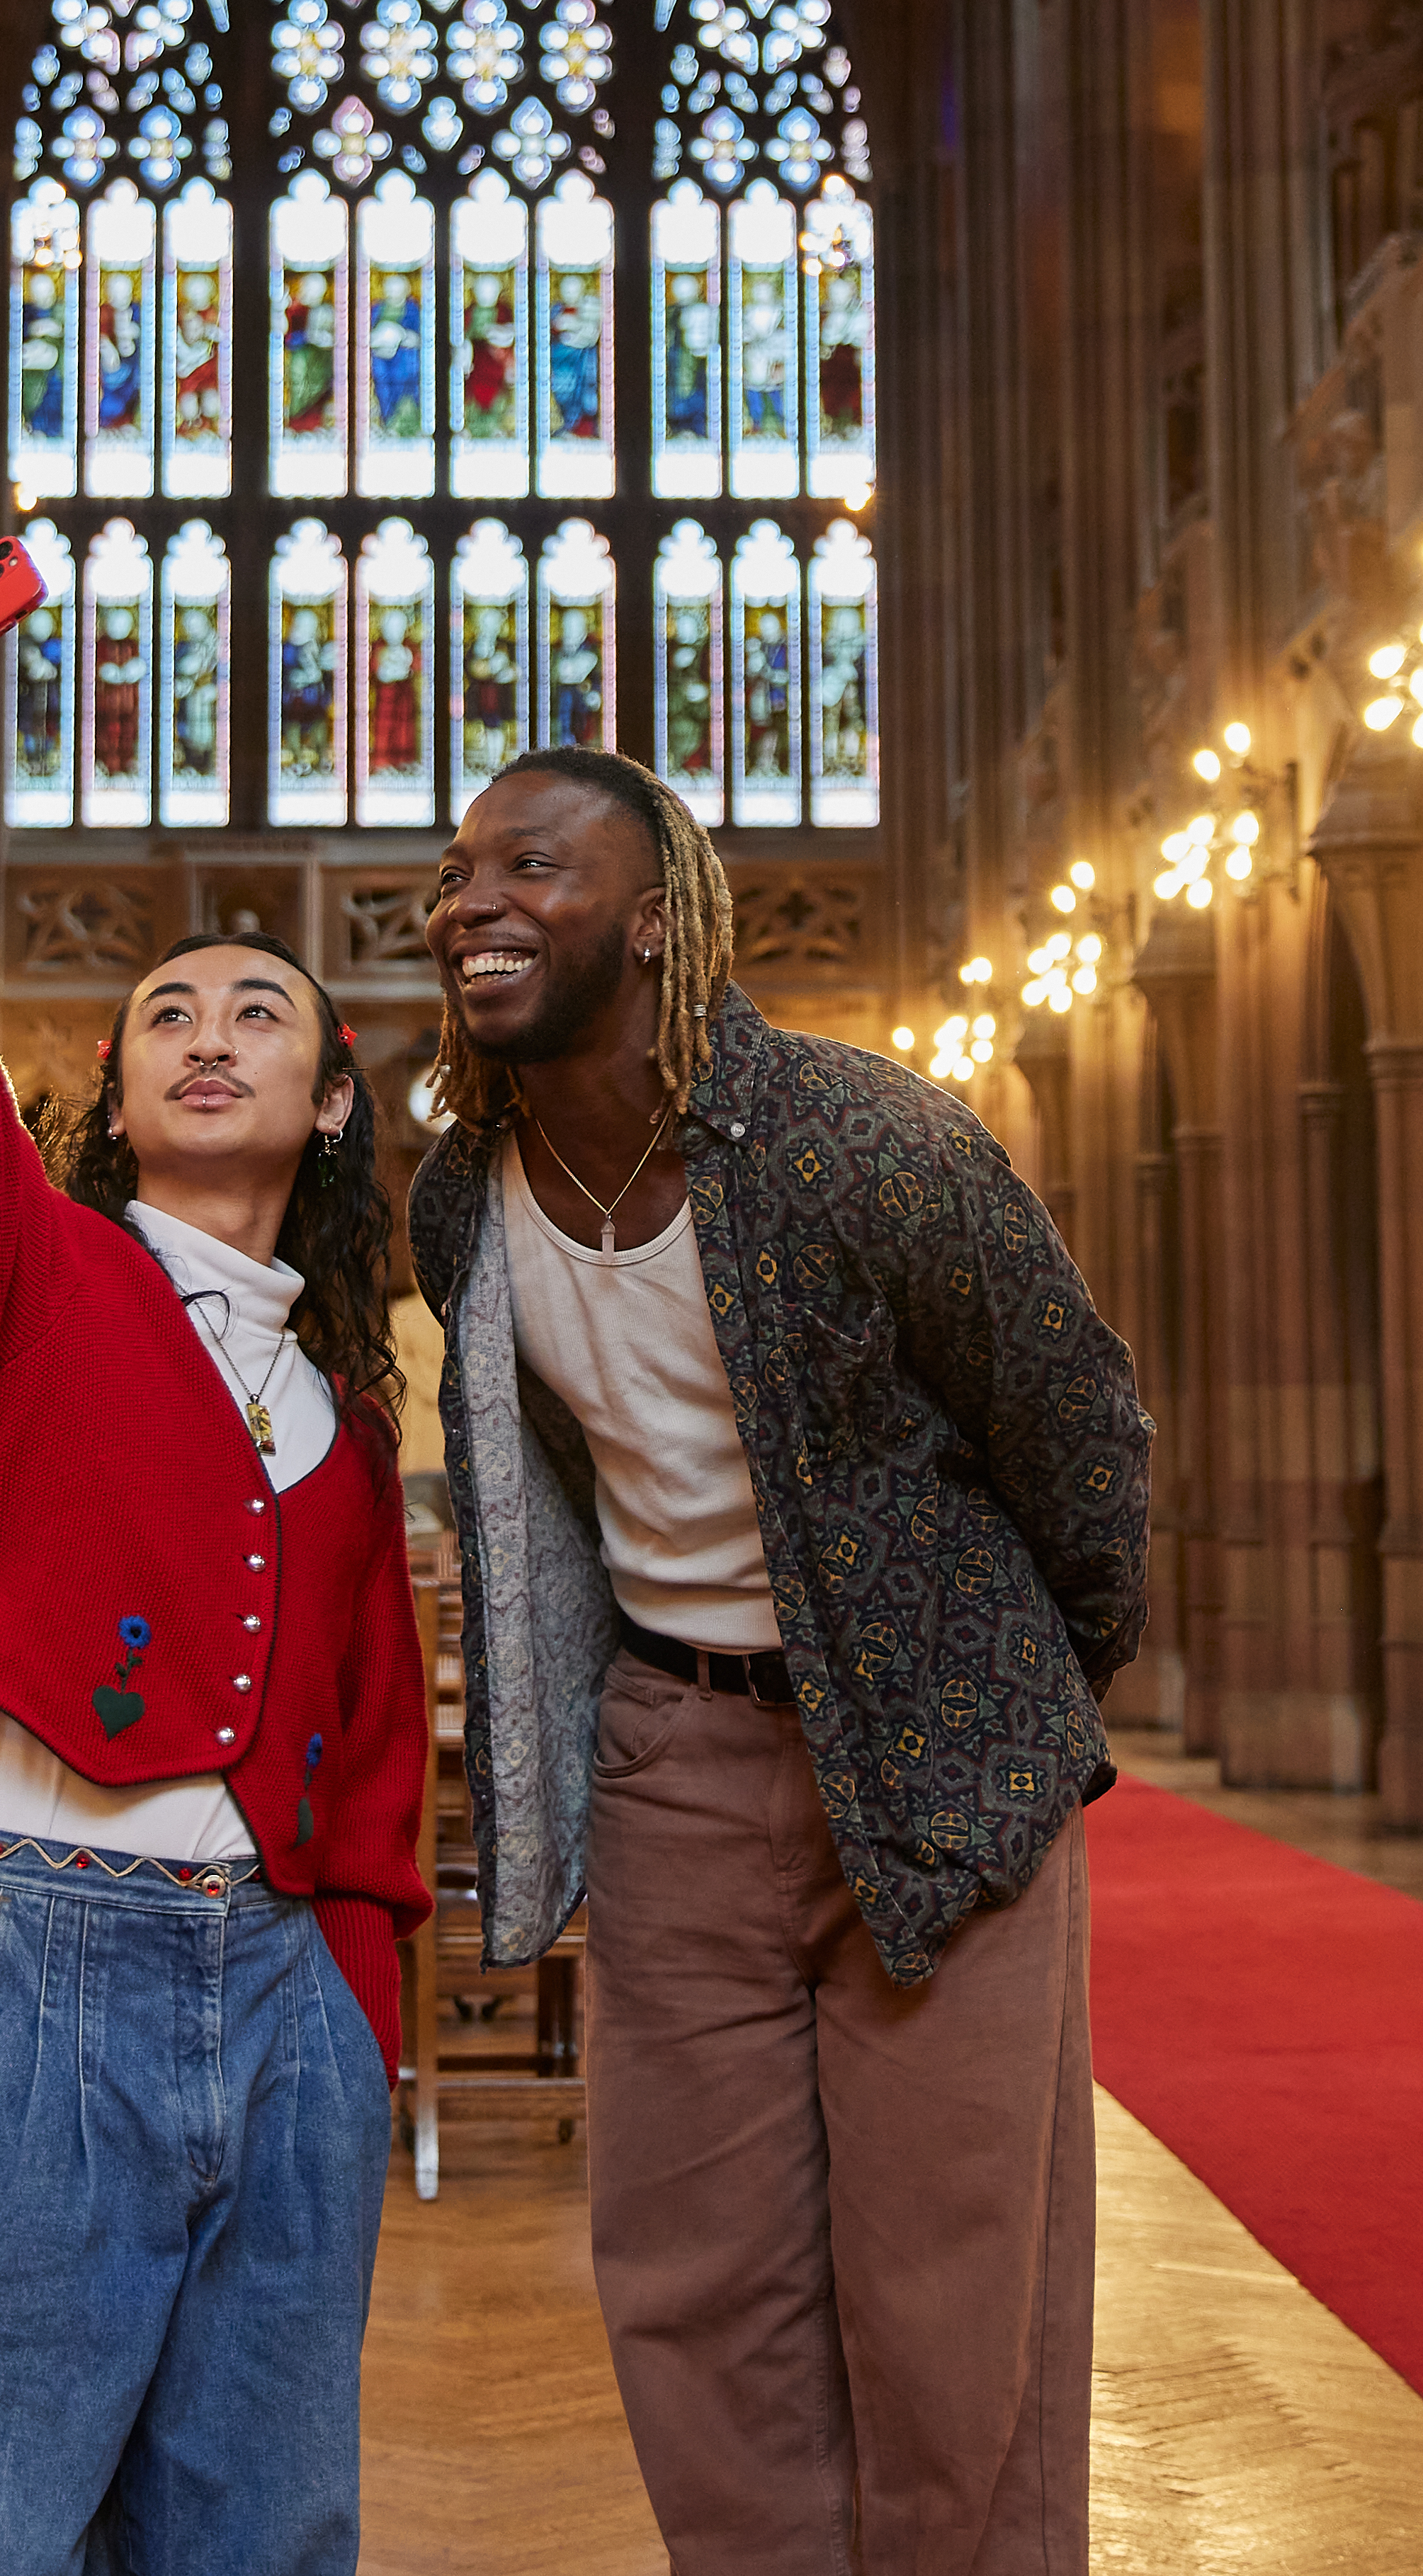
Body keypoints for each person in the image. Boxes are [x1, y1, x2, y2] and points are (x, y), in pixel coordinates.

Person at [414, 743, 1152, 2575]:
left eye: (531, 867)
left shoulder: (864, 1141)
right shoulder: (461, 1202)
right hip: (681, 1757)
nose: (472, 902)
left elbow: (1081, 1439)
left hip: (934, 1768)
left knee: (955, 2311)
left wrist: (1000, 1711)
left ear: (658, 922)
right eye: (455, 874)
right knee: (692, 2298)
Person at [0, 597, 429, 2576]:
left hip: (286, 1992)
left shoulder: (346, 1389)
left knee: (261, 2535)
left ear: (332, 1096)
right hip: (39, 1951)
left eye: (257, 1011)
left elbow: (383, 1728)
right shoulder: (34, 1284)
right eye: (167, 1014)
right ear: (111, 1095)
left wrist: (354, 2006)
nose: (207, 1035)